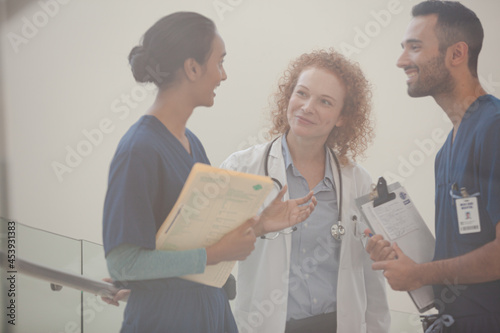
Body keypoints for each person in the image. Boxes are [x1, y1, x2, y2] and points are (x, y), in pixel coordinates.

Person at [102, 12, 316, 333]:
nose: (223, 75)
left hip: (210, 311)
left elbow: (192, 239)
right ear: (192, 68)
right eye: (219, 63)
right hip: (165, 320)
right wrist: (214, 254)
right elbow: (124, 263)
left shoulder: (192, 145)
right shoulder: (139, 149)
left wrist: (259, 225)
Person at [220, 49, 390, 333]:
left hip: (338, 324)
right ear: (289, 96)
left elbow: (373, 278)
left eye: (325, 101)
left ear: (342, 117)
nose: (307, 107)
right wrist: (258, 226)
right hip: (268, 323)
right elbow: (212, 251)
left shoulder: (357, 180)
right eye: (301, 93)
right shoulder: (242, 168)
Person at [366, 1, 500, 332]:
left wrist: (421, 274)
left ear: (456, 54)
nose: (401, 61)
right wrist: (402, 257)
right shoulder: (445, 152)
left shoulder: (493, 128)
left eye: (414, 47)